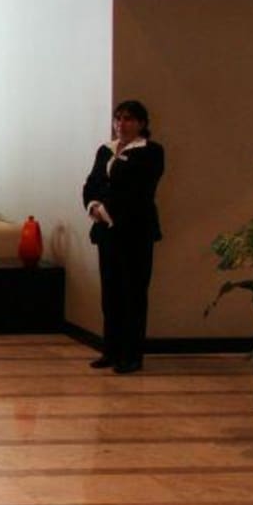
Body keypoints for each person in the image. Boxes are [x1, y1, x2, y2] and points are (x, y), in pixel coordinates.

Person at [81, 99, 164, 374]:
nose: (121, 124)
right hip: (107, 232)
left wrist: (108, 208)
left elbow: (138, 189)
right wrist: (93, 205)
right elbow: (92, 183)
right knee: (111, 293)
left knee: (133, 293)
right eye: (118, 118)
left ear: (141, 123)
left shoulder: (151, 152)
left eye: (128, 119)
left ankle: (132, 354)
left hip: (135, 231)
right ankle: (111, 350)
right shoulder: (105, 150)